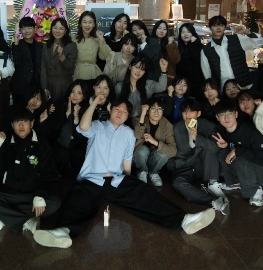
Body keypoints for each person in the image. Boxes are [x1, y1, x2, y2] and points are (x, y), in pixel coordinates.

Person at [32, 95, 216, 249]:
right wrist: (94, 102)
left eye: (124, 111)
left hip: (116, 180)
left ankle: (184, 220)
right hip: (91, 180)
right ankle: (63, 232)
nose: (120, 113)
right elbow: (83, 126)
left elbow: (127, 160)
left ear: (128, 115)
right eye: (117, 109)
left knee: (146, 193)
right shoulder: (97, 126)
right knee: (76, 199)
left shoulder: (128, 133)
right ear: (110, 110)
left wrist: (129, 182)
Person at [0, 108, 61, 236]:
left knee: (54, 203)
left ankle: (4, 215)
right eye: (17, 122)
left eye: (25, 121)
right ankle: (26, 220)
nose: (21, 125)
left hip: (31, 195)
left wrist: (40, 195)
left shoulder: (42, 145)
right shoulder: (5, 141)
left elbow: (49, 174)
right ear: (12, 125)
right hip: (7, 194)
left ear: (31, 123)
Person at [167, 99, 229, 215]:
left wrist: (197, 138)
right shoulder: (175, 128)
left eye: (191, 111)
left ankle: (213, 183)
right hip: (184, 164)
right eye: (184, 112)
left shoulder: (207, 126)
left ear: (198, 113)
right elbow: (169, 149)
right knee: (177, 183)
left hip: (202, 164)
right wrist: (174, 165)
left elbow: (215, 148)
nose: (187, 115)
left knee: (209, 148)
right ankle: (213, 201)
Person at [201, 15, 263, 89]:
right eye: (215, 25)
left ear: (225, 27)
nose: (218, 28)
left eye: (221, 25)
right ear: (210, 28)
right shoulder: (206, 50)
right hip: (223, 89)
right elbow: (207, 75)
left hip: (243, 86)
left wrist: (246, 31)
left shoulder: (237, 39)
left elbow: (260, 42)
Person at [133, 97, 177, 186]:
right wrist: (142, 114)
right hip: (140, 158)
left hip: (154, 158)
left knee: (164, 152)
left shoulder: (167, 125)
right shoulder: (138, 120)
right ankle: (142, 171)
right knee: (143, 150)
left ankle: (153, 172)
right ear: (148, 111)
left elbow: (173, 151)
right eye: (153, 109)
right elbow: (138, 135)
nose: (156, 112)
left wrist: (155, 142)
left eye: (159, 109)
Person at [53, 80, 91, 177]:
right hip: (61, 143)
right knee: (61, 155)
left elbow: (82, 136)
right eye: (73, 91)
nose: (75, 95)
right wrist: (67, 115)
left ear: (84, 96)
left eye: (79, 93)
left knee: (79, 156)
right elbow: (55, 130)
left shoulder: (87, 109)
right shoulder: (60, 104)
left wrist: (76, 118)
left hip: (78, 145)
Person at [41, 18, 78, 105]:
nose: (57, 31)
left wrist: (62, 57)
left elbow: (71, 67)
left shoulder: (71, 46)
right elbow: (43, 68)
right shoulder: (46, 46)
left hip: (64, 85)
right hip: (49, 85)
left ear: (65, 31)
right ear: (51, 29)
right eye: (55, 28)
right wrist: (44, 88)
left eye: (61, 28)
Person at [11, 17, 44, 106]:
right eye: (23, 28)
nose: (26, 31)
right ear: (20, 30)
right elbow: (16, 62)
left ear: (34, 29)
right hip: (20, 86)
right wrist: (16, 44)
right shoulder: (17, 45)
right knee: (19, 111)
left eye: (29, 28)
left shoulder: (40, 46)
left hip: (35, 85)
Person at [73, 11, 112, 81]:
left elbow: (105, 56)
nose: (87, 25)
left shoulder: (97, 39)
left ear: (94, 24)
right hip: (78, 72)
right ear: (80, 24)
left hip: (93, 73)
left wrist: (101, 39)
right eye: (84, 22)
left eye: (90, 22)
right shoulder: (73, 39)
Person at [176, 23, 204, 98]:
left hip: (196, 84)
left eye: (188, 32)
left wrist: (193, 44)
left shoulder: (198, 46)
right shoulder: (179, 48)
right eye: (183, 32)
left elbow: (196, 61)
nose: (186, 34)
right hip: (183, 84)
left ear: (193, 33)